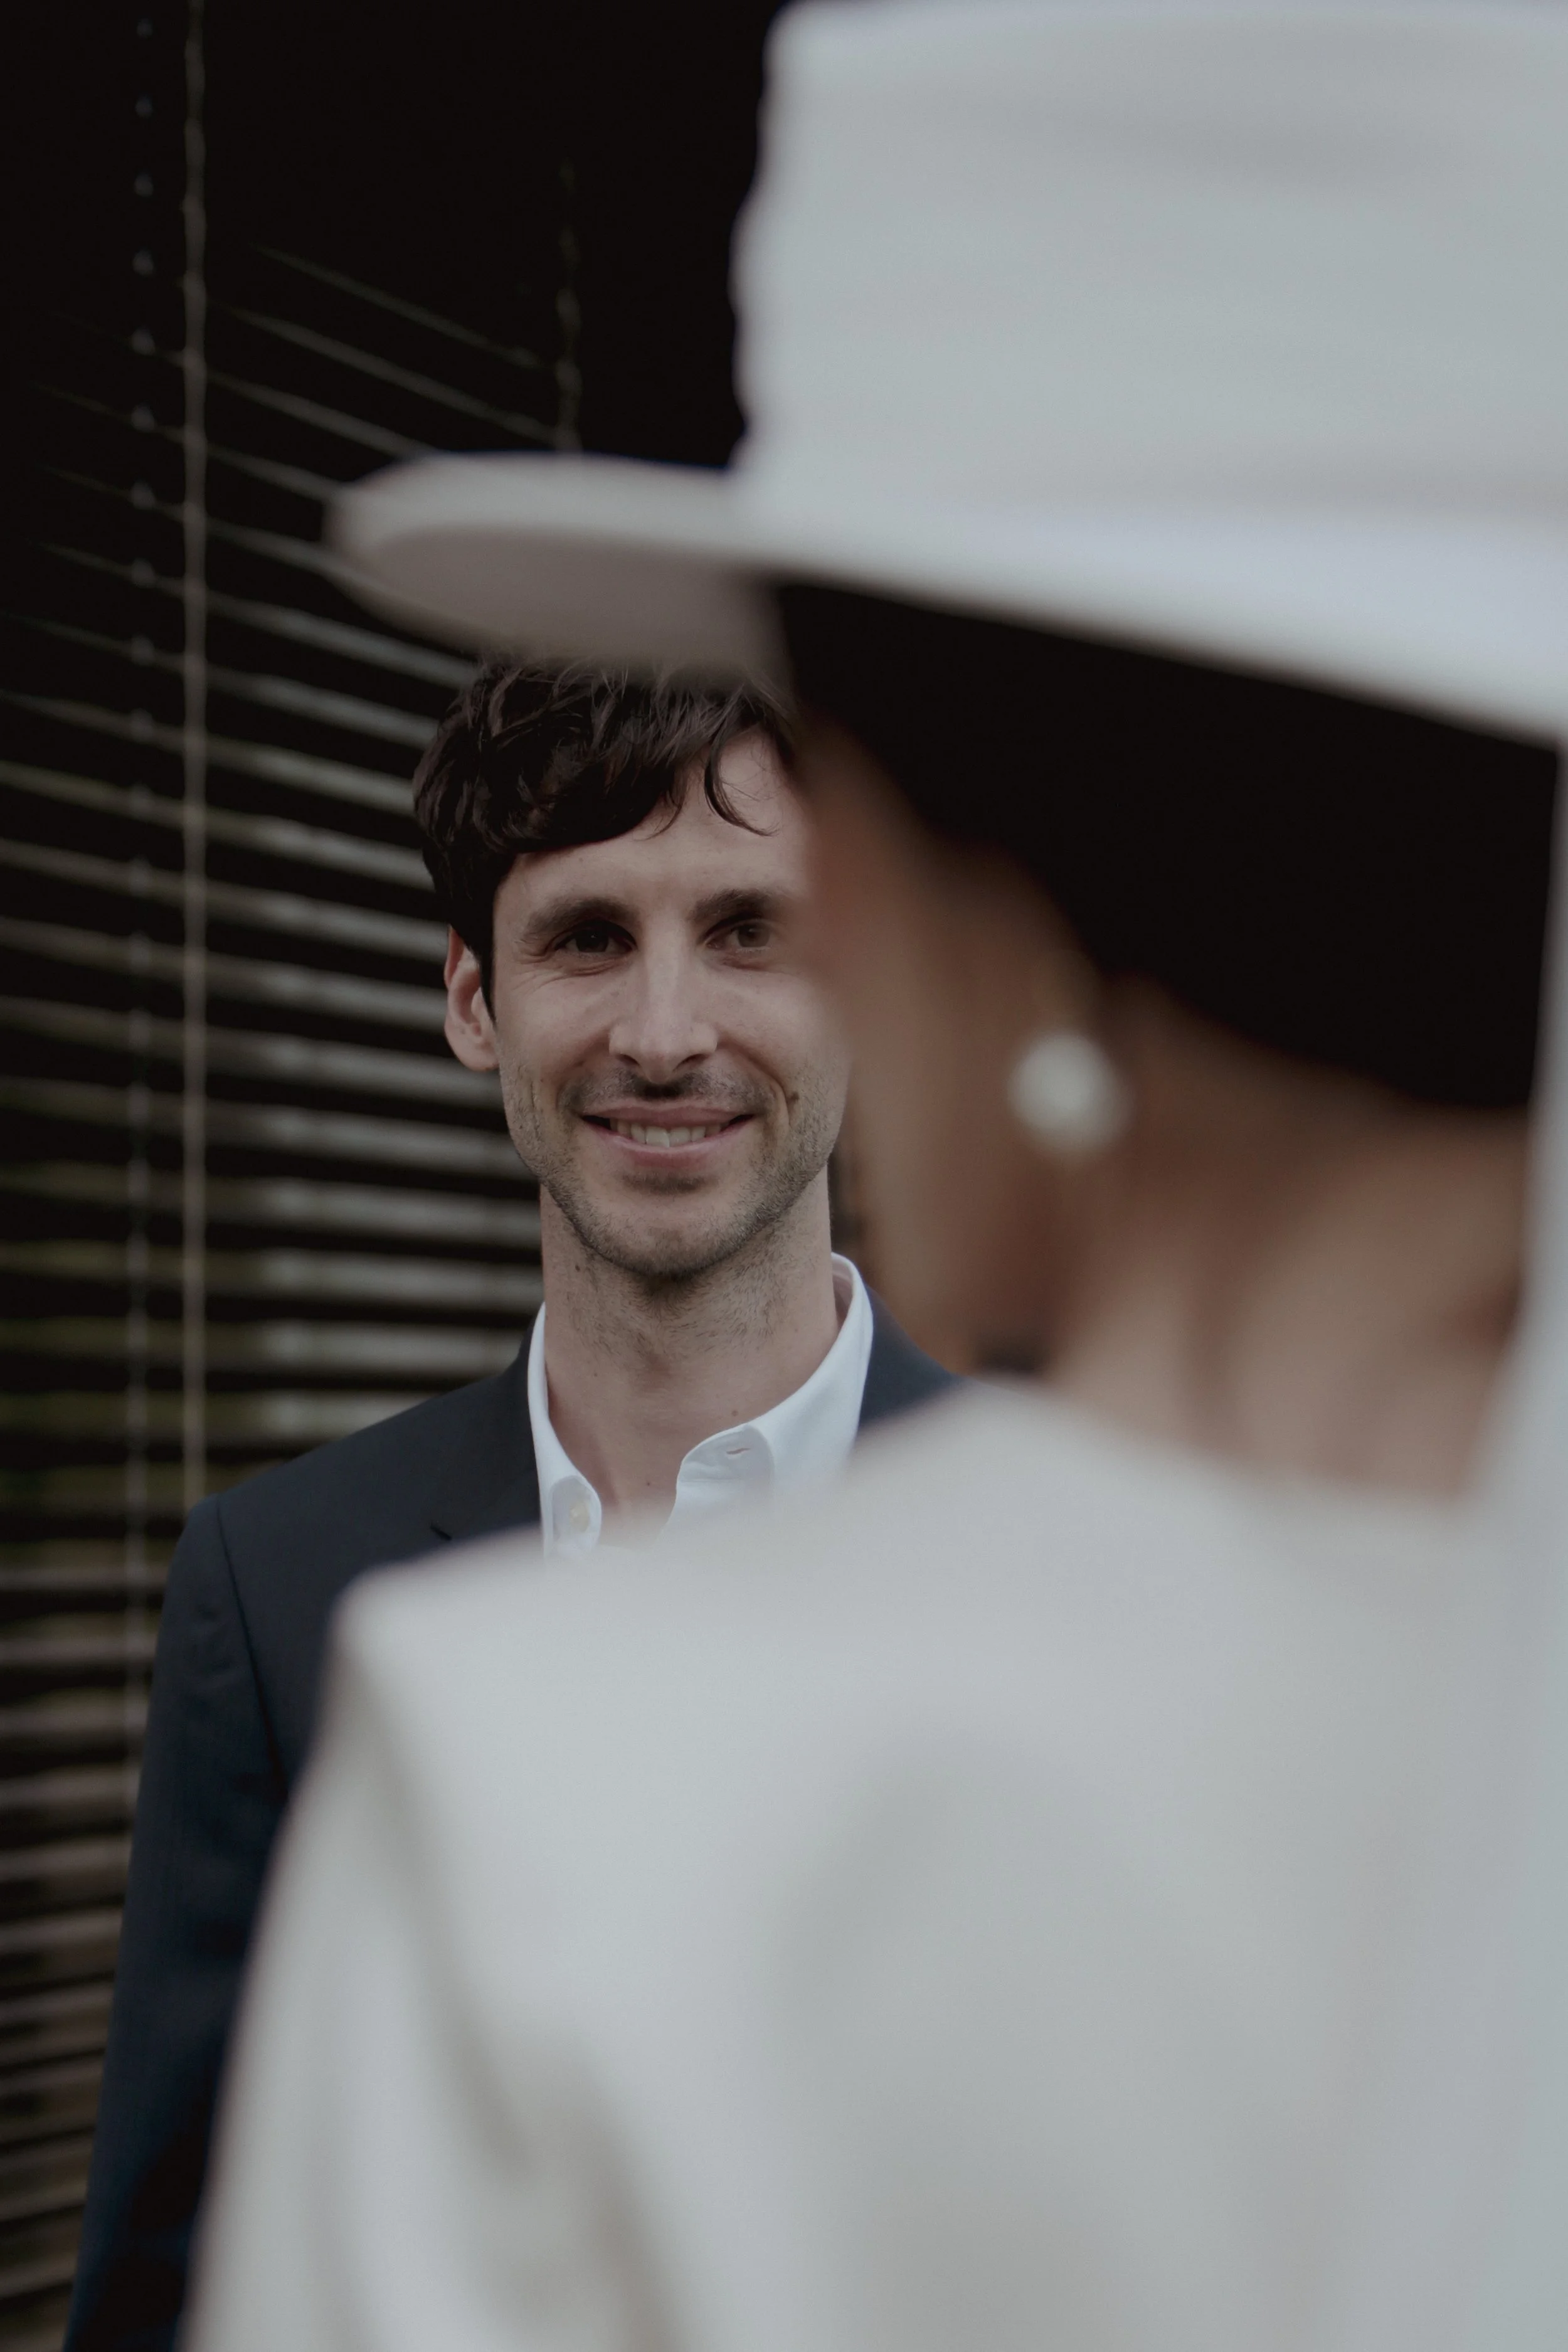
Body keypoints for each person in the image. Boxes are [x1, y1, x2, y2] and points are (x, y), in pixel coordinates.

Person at [188, 3, 1568, 2348]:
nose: (686, 1018)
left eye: (782, 896)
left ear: (953, 897)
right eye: (584, 943)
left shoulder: (562, 1802)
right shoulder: (313, 1592)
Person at [66, 663, 956, 2352]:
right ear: (474, 998)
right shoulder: (273, 1588)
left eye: (749, 929)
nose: (666, 1030)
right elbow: (177, 2297)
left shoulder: (1090, 1553)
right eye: (587, 937)